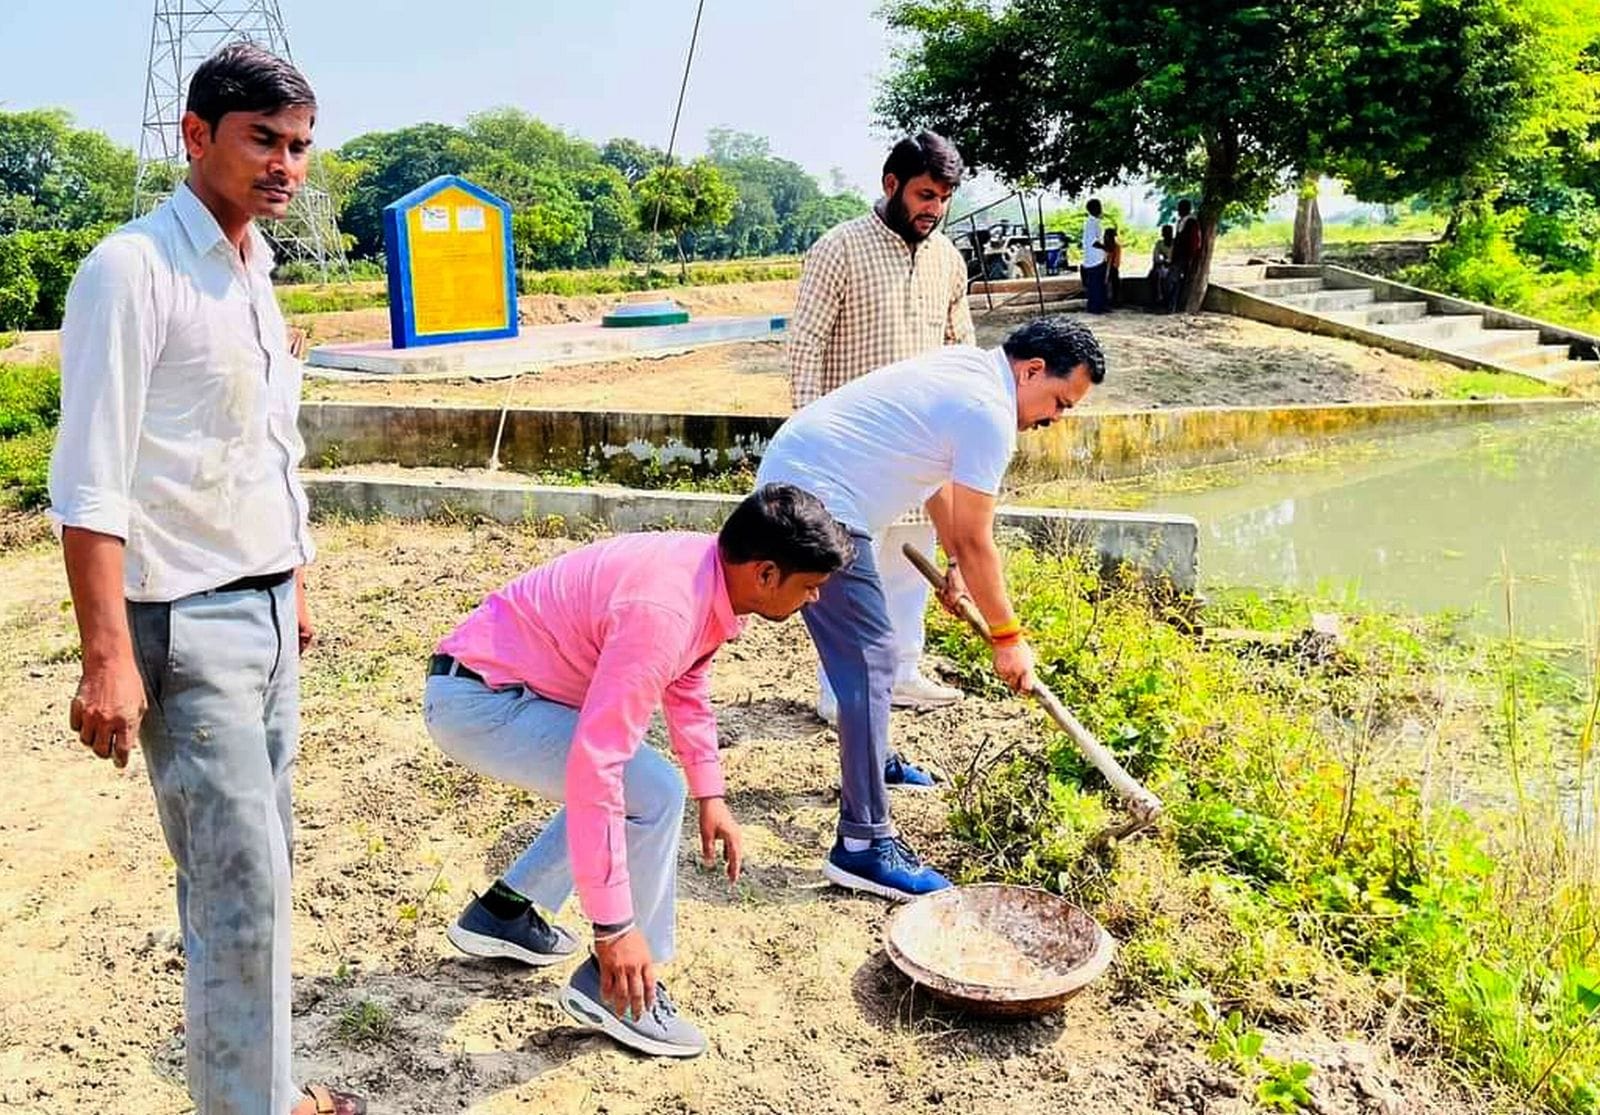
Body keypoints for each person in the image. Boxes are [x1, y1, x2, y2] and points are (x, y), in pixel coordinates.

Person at [47, 43, 366, 1115]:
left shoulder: (254, 270)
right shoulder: (132, 269)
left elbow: (262, 450)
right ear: (197, 136)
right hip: (185, 621)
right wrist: (107, 660)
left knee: (264, 876)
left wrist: (297, 583)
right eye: (263, 140)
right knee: (238, 895)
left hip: (269, 609)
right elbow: (90, 480)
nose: (286, 165)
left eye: (300, 147)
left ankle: (265, 1092)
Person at [422, 486, 853, 1057]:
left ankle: (504, 913)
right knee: (648, 792)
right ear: (767, 574)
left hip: (496, 686)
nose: (816, 598)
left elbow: (688, 680)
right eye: (810, 586)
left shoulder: (706, 573)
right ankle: (620, 989)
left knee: (644, 791)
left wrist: (712, 793)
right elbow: (596, 768)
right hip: (481, 700)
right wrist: (615, 931)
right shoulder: (666, 610)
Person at [755, 318, 1107, 900]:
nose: (1053, 420)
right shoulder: (989, 410)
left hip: (803, 482)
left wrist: (956, 577)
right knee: (871, 659)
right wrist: (1006, 636)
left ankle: (875, 760)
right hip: (815, 500)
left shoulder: (970, 372)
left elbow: (933, 482)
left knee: (871, 654)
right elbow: (976, 535)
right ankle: (864, 845)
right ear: (1033, 371)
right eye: (1059, 403)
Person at [785, 131, 976, 741]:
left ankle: (904, 673)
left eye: (943, 198)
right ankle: (836, 693)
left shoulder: (948, 258)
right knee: (847, 575)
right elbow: (804, 347)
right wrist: (809, 445)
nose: (934, 209)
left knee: (907, 569)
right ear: (891, 184)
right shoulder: (838, 249)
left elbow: (961, 346)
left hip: (922, 452)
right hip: (849, 454)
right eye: (925, 194)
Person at [1171, 199, 1204, 311]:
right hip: (1179, 256)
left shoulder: (1191, 222)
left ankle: (1175, 306)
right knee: (1176, 281)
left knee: (1176, 280)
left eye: (1180, 208)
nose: (1178, 210)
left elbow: (1194, 241)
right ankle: (1174, 305)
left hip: (1184, 256)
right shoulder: (1182, 221)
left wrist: (1191, 256)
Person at [1080, 198, 1109, 314]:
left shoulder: (1094, 222)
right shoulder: (1092, 223)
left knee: (1098, 285)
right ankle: (1095, 308)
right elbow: (1093, 241)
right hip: (1094, 260)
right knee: (1095, 285)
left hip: (1096, 258)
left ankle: (1099, 306)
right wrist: (1105, 247)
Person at [1149, 224, 1176, 311]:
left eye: (1169, 233)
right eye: (1165, 233)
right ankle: (1156, 301)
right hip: (1163, 266)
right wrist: (1161, 262)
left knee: (1170, 282)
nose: (1167, 235)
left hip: (1173, 267)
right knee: (1154, 276)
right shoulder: (1160, 244)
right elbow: (1156, 258)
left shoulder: (1176, 244)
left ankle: (1169, 304)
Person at [1103, 226, 1123, 308]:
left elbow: (1115, 262)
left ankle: (1114, 301)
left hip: (1112, 268)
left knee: (1114, 285)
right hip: (1107, 267)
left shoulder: (1115, 247)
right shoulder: (1105, 246)